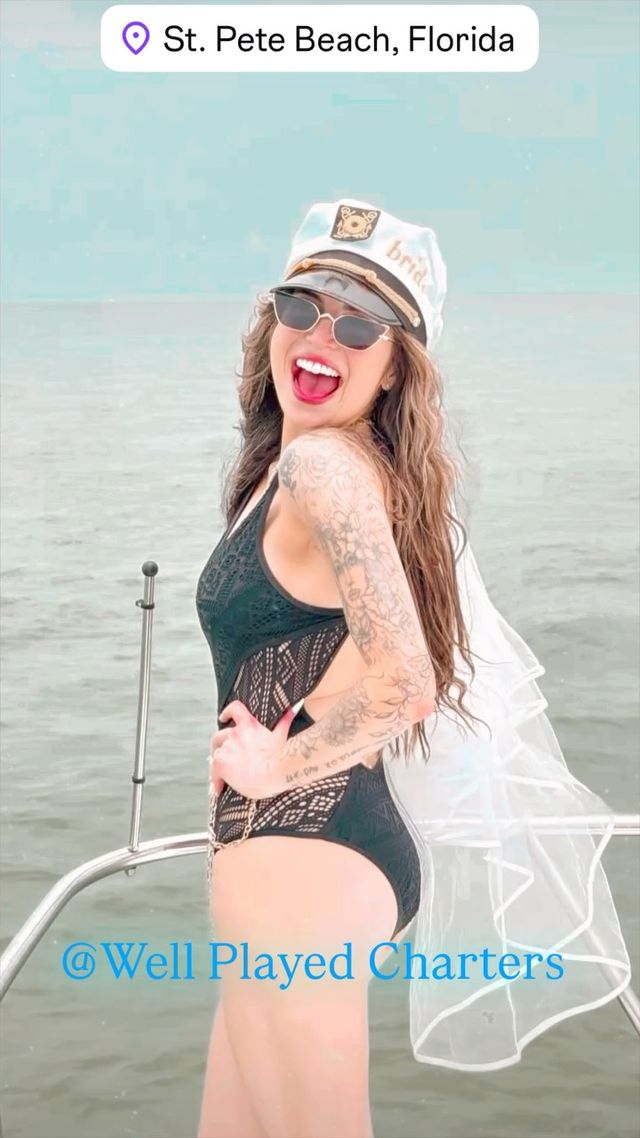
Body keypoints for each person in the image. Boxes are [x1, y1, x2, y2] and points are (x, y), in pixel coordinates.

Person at [195, 199, 631, 1137]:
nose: (324, 336)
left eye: (362, 325)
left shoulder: (328, 473)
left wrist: (278, 766)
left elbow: (407, 678)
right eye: (303, 305)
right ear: (272, 319)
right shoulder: (296, 464)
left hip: (302, 860)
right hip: (312, 859)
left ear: (396, 368)